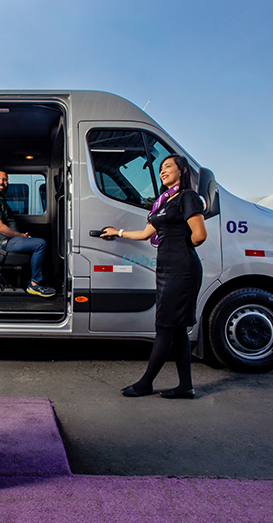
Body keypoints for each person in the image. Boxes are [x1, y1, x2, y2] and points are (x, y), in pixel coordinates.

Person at [101, 154, 207, 399]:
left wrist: (180, 247)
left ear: (182, 170)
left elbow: (199, 235)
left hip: (182, 269)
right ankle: (185, 387)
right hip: (167, 268)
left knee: (164, 326)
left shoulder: (187, 197)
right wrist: (118, 232)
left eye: (168, 166)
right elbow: (146, 233)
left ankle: (146, 383)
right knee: (178, 329)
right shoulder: (164, 202)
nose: (163, 171)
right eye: (161, 168)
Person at [0, 170, 56, 297]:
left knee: (41, 240)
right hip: (5, 243)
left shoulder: (0, 200)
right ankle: (34, 284)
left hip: (10, 240)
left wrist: (22, 235)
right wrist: (21, 236)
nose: (1, 182)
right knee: (40, 244)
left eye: (5, 180)